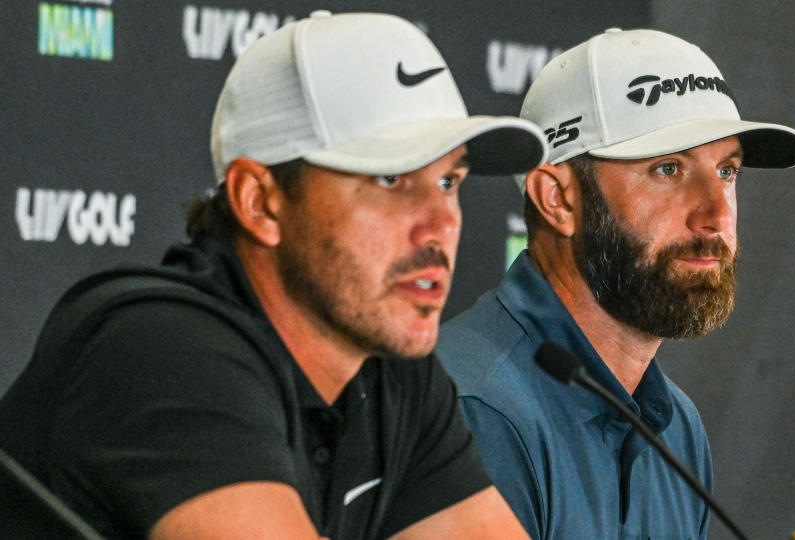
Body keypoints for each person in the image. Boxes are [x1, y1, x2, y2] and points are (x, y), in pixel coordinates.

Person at [0, 11, 547, 539]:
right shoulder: (162, 346)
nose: (441, 225)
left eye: (449, 182)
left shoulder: (393, 375)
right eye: (389, 178)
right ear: (259, 202)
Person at [436, 28, 795, 539]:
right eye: (669, 169)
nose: (715, 215)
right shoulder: (476, 411)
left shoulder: (676, 426)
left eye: (727, 171)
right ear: (558, 200)